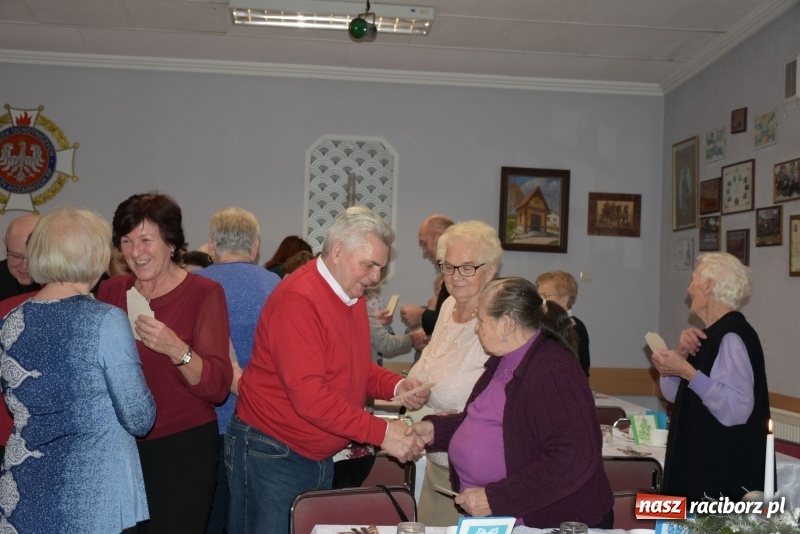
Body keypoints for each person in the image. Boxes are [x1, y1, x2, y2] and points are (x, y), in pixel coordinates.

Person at [227, 206, 430, 534]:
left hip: (312, 452)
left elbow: (352, 368)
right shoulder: (299, 299)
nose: (376, 277)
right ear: (337, 250)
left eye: (380, 267)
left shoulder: (351, 294)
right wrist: (382, 433)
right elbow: (309, 397)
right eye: (369, 265)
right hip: (273, 451)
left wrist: (396, 387)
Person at [406, 277, 614, 528]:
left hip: (551, 521)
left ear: (505, 325)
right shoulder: (504, 361)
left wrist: (495, 499)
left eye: (481, 321)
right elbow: (491, 421)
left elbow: (572, 457)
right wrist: (436, 430)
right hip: (504, 518)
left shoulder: (553, 372)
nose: (476, 328)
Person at [0, 207, 156, 533]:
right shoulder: (104, 320)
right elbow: (139, 418)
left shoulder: (10, 321)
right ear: (95, 256)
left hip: (25, 483)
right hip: (91, 492)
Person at [98, 192, 233, 533]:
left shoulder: (204, 293)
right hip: (121, 447)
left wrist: (178, 350)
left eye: (146, 239)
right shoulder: (111, 292)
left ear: (171, 242)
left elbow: (217, 388)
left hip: (182, 449)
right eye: (126, 241)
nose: (135, 252)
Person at [652, 252, 771, 502]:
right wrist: (678, 356)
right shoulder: (708, 334)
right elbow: (675, 395)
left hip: (720, 479)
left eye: (693, 280)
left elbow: (736, 408)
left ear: (709, 286)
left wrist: (686, 370)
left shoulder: (732, 335)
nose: (688, 288)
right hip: (696, 465)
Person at [406, 219, 502, 526]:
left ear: (491, 269)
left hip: (475, 479)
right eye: (448, 267)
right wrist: (415, 385)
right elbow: (431, 366)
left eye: (467, 267)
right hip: (437, 466)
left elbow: (494, 405)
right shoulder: (448, 308)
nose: (455, 277)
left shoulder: (499, 322)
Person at [196, 207, 281, 533]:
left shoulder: (194, 285)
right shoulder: (276, 286)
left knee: (210, 516)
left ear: (212, 245)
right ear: (255, 246)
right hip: (260, 423)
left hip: (206, 423)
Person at [400, 214, 454, 337]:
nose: (425, 253)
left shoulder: (456, 275)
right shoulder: (446, 275)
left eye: (424, 243)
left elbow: (456, 324)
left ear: (440, 236)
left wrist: (421, 315)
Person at [535, 271, 590, 376]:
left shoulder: (574, 327)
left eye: (545, 296)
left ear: (564, 299)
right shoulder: (542, 324)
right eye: (539, 296)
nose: (541, 302)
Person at [1, 213, 41, 301]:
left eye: (33, 257)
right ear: (5, 247)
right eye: (16, 256)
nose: (24, 267)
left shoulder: (64, 281)